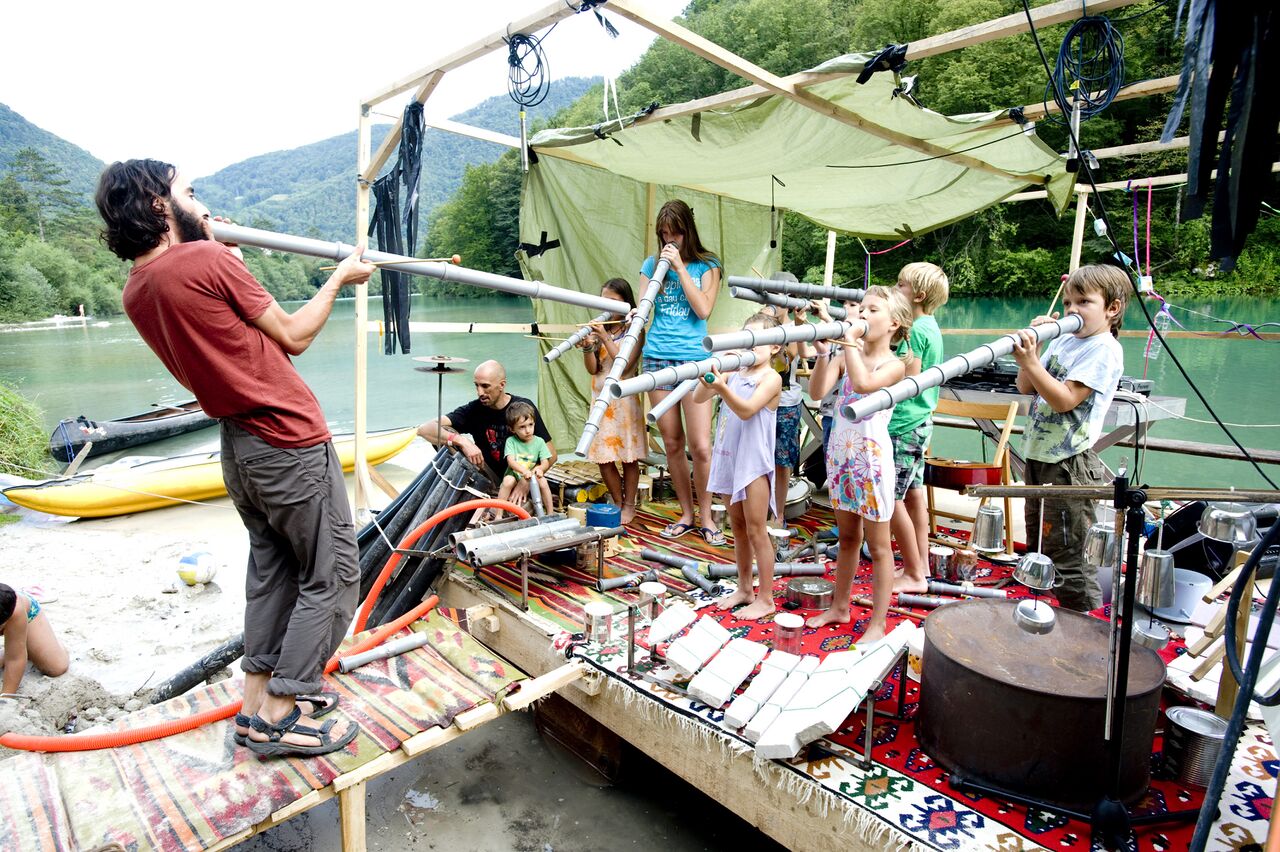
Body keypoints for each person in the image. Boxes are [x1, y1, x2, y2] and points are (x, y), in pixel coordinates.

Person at [95, 159, 374, 757]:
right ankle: (281, 709)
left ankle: (251, 705)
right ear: (157, 206)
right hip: (288, 437)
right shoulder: (206, 261)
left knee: (273, 574)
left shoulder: (137, 289)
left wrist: (213, 248)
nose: (199, 200)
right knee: (334, 574)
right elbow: (294, 336)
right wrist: (338, 278)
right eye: (187, 192)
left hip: (240, 450)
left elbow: (221, 329)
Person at [1012, 265, 1127, 612]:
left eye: (1084, 302)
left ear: (1112, 309)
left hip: (1068, 464)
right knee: (1041, 547)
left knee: (1068, 554)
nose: (1073, 310)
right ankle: (1049, 618)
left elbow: (1064, 400)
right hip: (1037, 457)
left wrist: (1033, 361)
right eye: (1068, 302)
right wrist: (1035, 350)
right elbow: (1025, 386)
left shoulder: (1104, 349)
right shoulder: (1064, 340)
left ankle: (1083, 621)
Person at [806, 286, 912, 643]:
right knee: (848, 537)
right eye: (861, 309)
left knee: (880, 546)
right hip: (839, 453)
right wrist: (825, 352)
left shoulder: (895, 364)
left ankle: (878, 624)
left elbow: (865, 385)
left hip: (871, 460)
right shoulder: (845, 351)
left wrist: (847, 342)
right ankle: (839, 606)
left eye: (872, 310)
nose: (862, 315)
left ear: (894, 322)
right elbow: (817, 392)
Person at [639, 200, 724, 546]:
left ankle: (707, 517)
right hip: (657, 359)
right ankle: (686, 514)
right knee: (672, 442)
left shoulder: (709, 264)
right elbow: (643, 309)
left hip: (694, 361)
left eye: (674, 234)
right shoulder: (650, 263)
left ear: (687, 231)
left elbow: (703, 307)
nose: (669, 242)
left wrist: (680, 268)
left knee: (700, 446)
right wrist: (633, 314)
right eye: (663, 236)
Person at [697, 312, 783, 620]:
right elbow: (697, 397)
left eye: (757, 339)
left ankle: (767, 598)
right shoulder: (735, 372)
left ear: (774, 346)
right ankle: (744, 587)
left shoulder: (771, 378)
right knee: (738, 528)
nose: (750, 345)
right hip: (729, 458)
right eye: (745, 337)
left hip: (753, 463)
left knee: (758, 530)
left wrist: (722, 387)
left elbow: (746, 410)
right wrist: (711, 374)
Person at [887, 263, 950, 594]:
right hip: (920, 421)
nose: (894, 289)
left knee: (890, 496)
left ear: (919, 295)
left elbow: (904, 377)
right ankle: (921, 564)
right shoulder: (930, 327)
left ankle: (912, 571)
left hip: (903, 422)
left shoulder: (918, 331)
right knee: (912, 495)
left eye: (900, 285)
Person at [417, 360, 557, 490]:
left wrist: (526, 483)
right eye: (476, 385)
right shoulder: (475, 409)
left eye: (485, 386)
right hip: (488, 478)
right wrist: (463, 441)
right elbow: (424, 429)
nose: (480, 392)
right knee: (445, 433)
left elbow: (551, 454)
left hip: (521, 475)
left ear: (502, 385)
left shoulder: (522, 408)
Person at [580, 278, 647, 524]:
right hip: (600, 399)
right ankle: (617, 502)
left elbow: (624, 365)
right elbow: (594, 369)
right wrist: (587, 347)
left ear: (626, 303)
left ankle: (629, 504)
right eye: (604, 301)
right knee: (603, 458)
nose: (608, 307)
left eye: (614, 302)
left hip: (624, 399)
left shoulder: (635, 330)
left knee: (629, 457)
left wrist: (605, 338)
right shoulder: (600, 328)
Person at [759, 285, 809, 532]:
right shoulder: (758, 326)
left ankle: (778, 514)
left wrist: (793, 326)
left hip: (786, 404)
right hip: (760, 400)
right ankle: (759, 511)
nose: (771, 306)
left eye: (776, 301)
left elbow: (786, 358)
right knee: (759, 458)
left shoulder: (794, 328)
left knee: (782, 461)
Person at [1, 584, 69, 696]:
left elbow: (15, 660)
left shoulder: (16, 610)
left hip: (23, 610)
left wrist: (5, 698)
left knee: (56, 667)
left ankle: (40, 642)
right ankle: (11, 649)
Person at [497, 401, 555, 515]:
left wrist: (540, 469)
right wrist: (523, 471)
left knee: (543, 481)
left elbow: (545, 462)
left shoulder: (539, 442)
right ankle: (498, 514)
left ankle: (550, 512)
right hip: (515, 474)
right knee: (508, 481)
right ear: (512, 429)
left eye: (530, 425)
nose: (528, 430)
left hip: (531, 475)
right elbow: (511, 461)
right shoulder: (511, 441)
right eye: (522, 427)